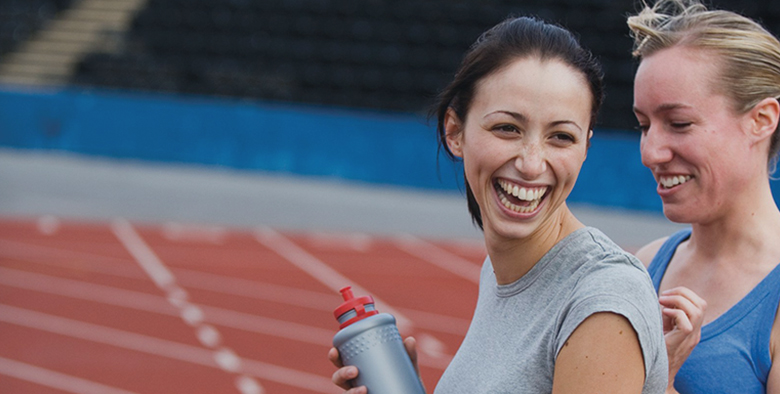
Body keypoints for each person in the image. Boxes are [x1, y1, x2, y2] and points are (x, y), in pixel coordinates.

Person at [329, 16, 668, 393]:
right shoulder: (500, 271)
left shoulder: (604, 302)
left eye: (561, 137)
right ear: (455, 132)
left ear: (585, 147)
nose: (532, 163)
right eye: (507, 128)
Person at [628, 0, 780, 393]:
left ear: (761, 120)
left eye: (678, 123)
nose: (650, 153)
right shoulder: (645, 267)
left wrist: (660, 382)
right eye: (644, 125)